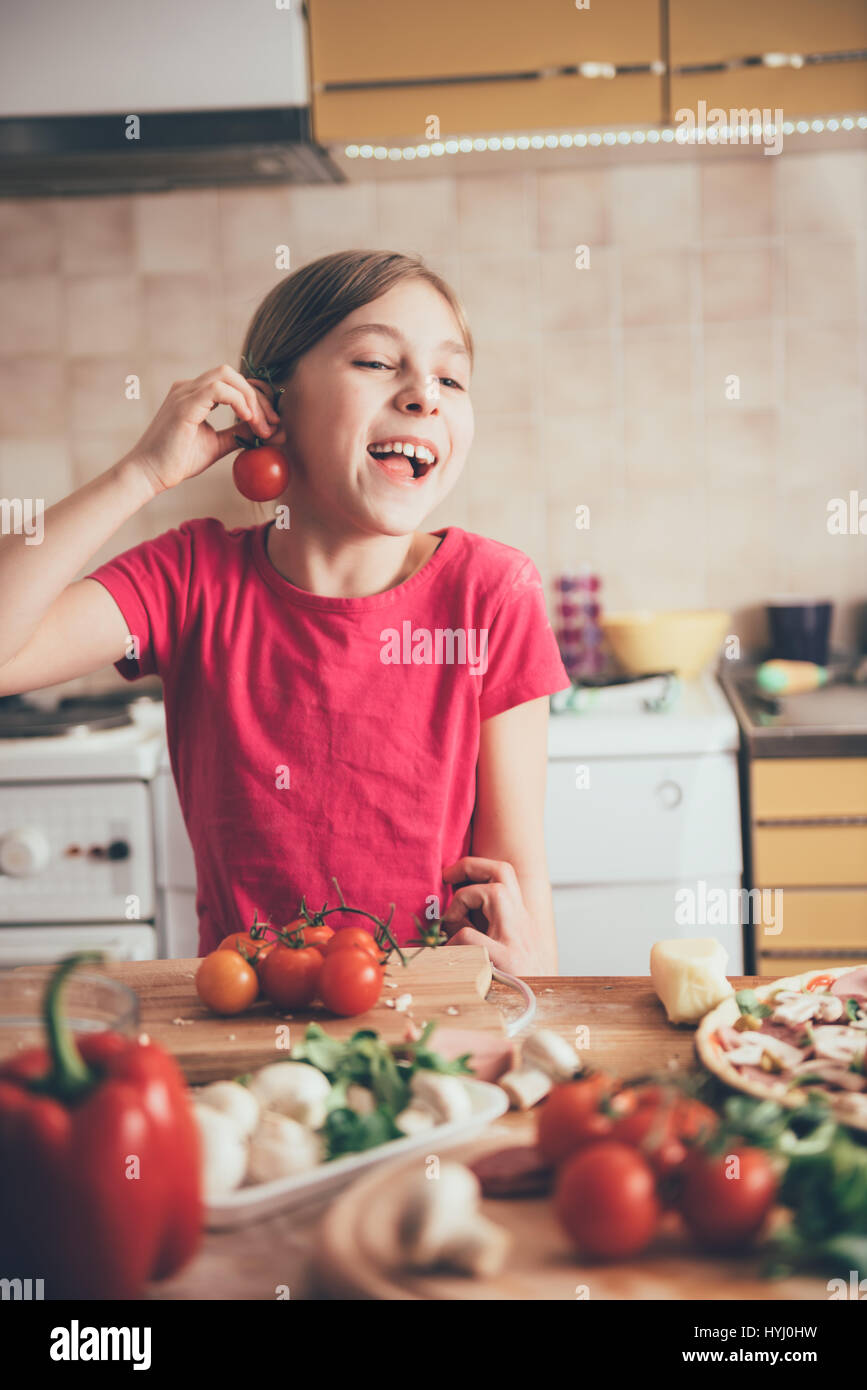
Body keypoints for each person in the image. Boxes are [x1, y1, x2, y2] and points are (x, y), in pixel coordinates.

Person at [0, 250, 570, 974]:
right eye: (375, 362)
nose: (424, 394)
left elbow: (518, 882)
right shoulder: (190, 578)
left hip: (436, 1022)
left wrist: (543, 995)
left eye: (450, 377)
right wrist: (141, 473)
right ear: (270, 404)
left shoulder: (490, 593)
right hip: (241, 1025)